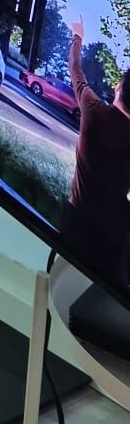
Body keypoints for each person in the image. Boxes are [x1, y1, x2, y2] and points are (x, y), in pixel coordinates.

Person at [64, 16, 130, 287]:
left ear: (119, 89)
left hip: (74, 226)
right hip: (109, 243)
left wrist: (78, 37)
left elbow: (76, 70)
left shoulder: (94, 110)